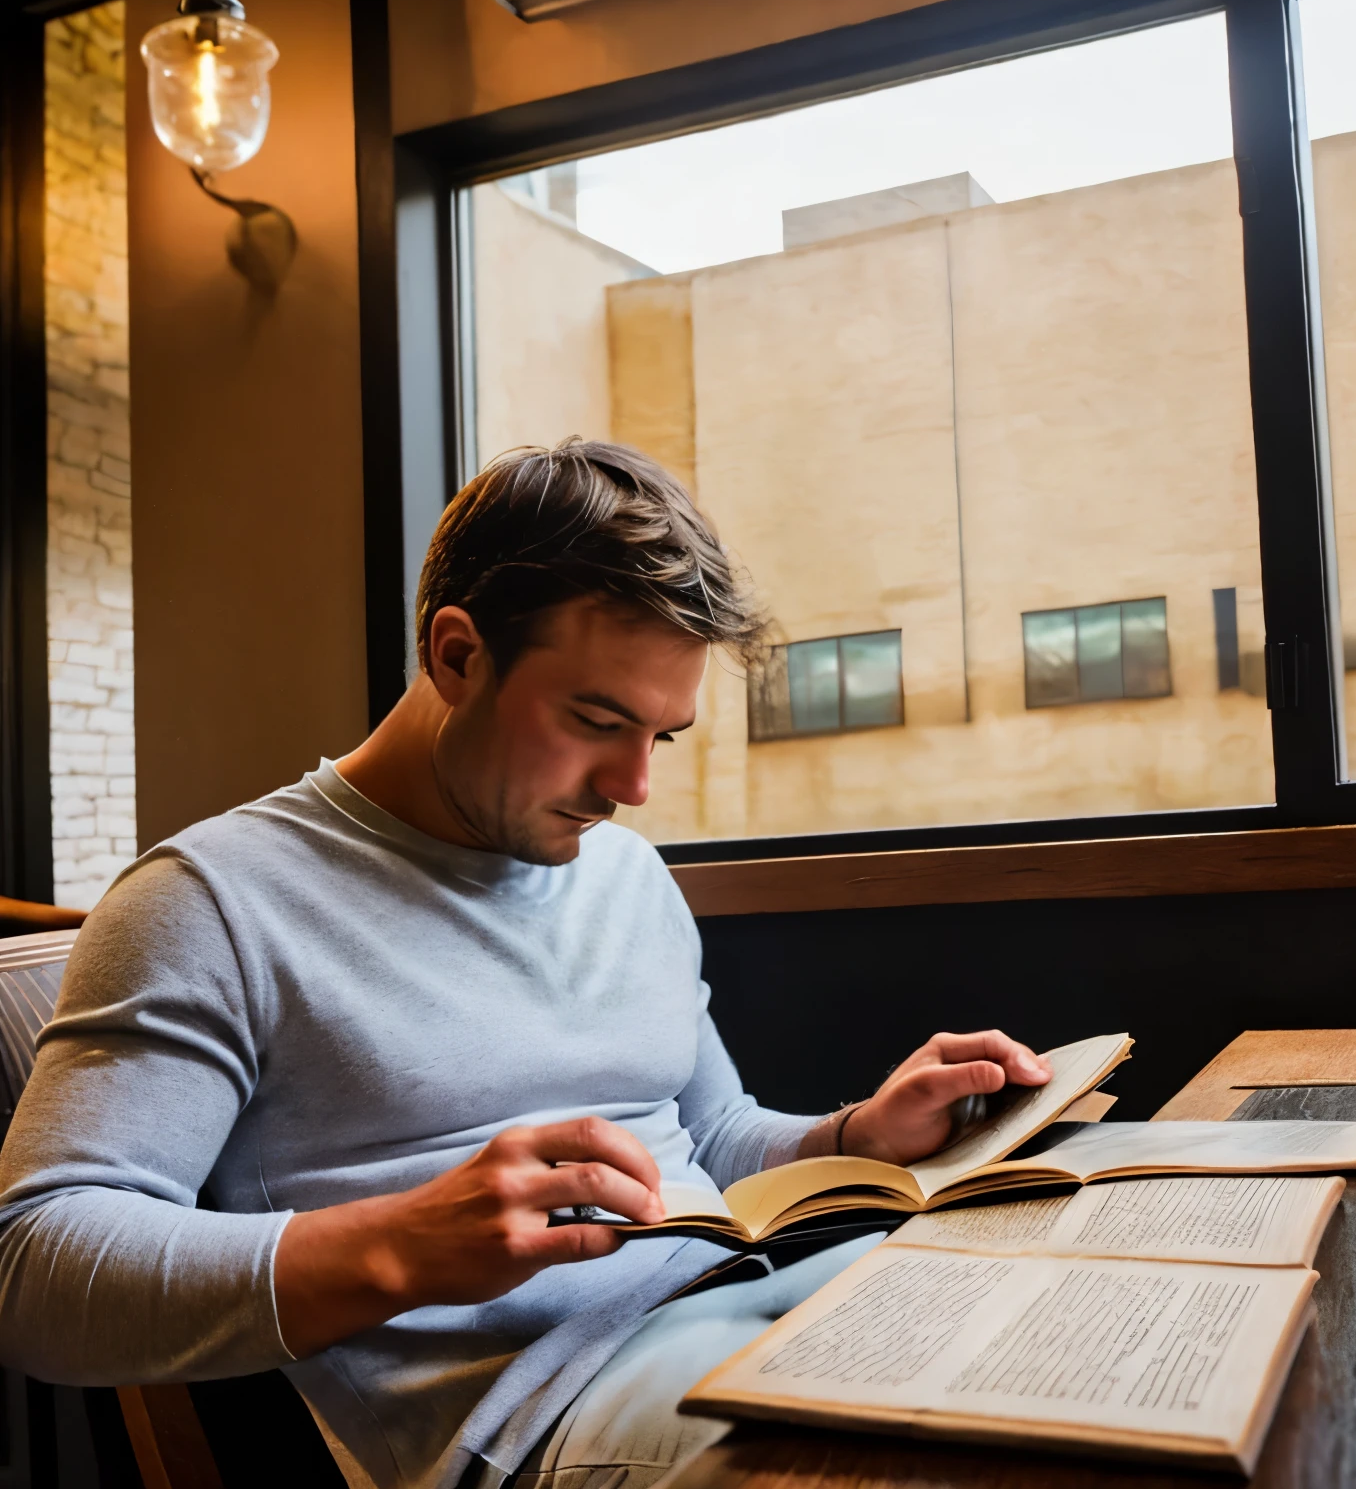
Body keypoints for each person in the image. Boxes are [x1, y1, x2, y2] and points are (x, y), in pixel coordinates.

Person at [0, 441, 1052, 1489]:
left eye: (664, 737)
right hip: (551, 1417)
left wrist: (859, 1135)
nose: (634, 786)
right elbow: (37, 1272)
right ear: (456, 655)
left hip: (767, 1299)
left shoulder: (628, 877)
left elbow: (709, 1140)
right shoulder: (210, 902)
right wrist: (404, 1244)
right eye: (597, 721)